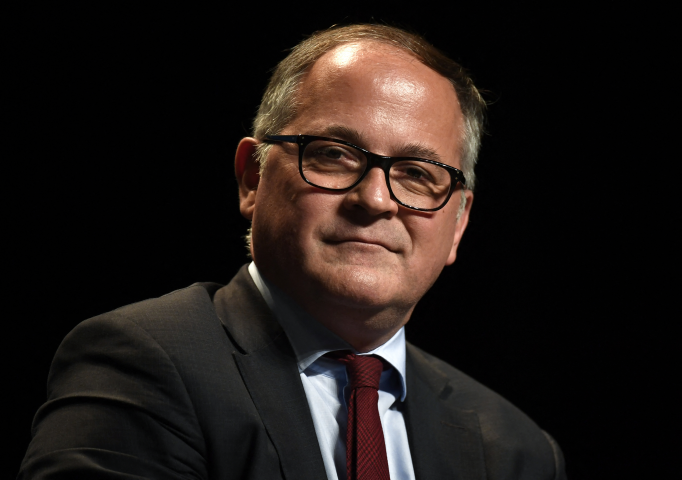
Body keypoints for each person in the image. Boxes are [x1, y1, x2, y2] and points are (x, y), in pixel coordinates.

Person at [19, 24, 566, 480]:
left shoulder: (518, 452)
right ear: (251, 179)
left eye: (418, 174)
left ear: (458, 224)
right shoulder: (136, 365)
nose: (374, 200)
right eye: (332, 154)